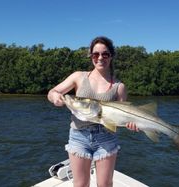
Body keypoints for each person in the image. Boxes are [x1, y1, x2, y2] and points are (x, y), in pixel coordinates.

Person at [47, 36, 138, 187]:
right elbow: (53, 91)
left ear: (111, 56)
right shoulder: (78, 76)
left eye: (105, 54)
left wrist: (131, 124)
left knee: (105, 185)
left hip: (107, 138)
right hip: (78, 136)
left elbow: (123, 115)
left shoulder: (119, 86)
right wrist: (55, 97)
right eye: (95, 54)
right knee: (81, 185)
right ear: (91, 56)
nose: (100, 58)